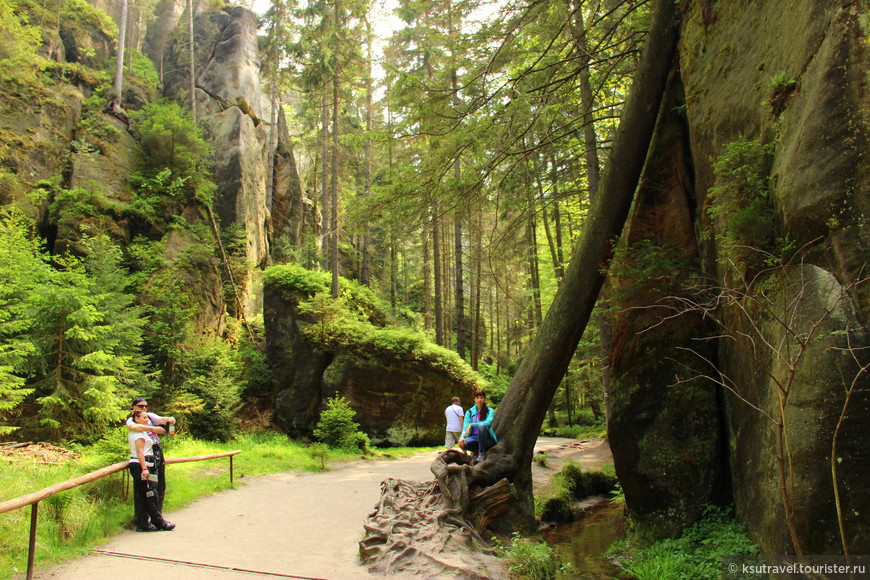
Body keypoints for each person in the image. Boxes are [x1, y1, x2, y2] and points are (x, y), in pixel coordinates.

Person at [128, 409, 175, 531]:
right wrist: (144, 468)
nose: (146, 420)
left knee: (146, 494)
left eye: (147, 418)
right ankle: (159, 522)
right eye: (144, 418)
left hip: (145, 463)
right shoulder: (137, 433)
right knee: (150, 494)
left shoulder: (142, 432)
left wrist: (169, 420)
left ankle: (144, 523)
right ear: (137, 419)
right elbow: (139, 452)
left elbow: (160, 419)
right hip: (141, 464)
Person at [458, 390, 497, 462]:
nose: (479, 400)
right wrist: (462, 437)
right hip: (476, 438)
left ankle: (481, 453)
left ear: (484, 399)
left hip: (488, 439)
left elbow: (487, 423)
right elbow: (465, 427)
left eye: (481, 397)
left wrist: (473, 424)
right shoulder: (469, 412)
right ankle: (477, 450)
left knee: (482, 426)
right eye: (477, 398)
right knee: (462, 444)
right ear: (474, 399)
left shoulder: (489, 410)